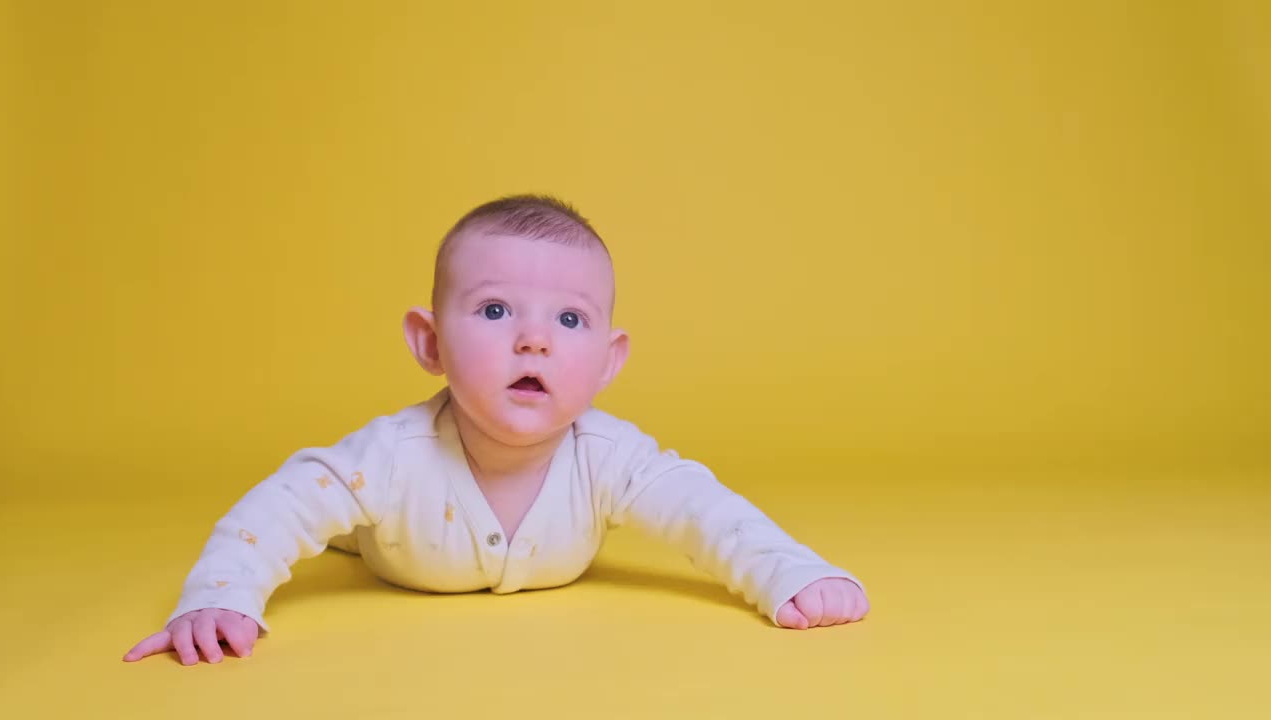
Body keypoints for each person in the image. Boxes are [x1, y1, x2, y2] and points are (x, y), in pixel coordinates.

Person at [124, 195, 869, 665]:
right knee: (330, 513)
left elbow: (707, 513)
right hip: (390, 540)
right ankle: (348, 532)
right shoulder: (390, 457)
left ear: (608, 362)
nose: (534, 341)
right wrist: (221, 596)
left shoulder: (609, 457)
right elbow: (281, 504)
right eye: (493, 311)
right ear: (430, 344)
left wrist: (792, 572)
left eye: (569, 319)